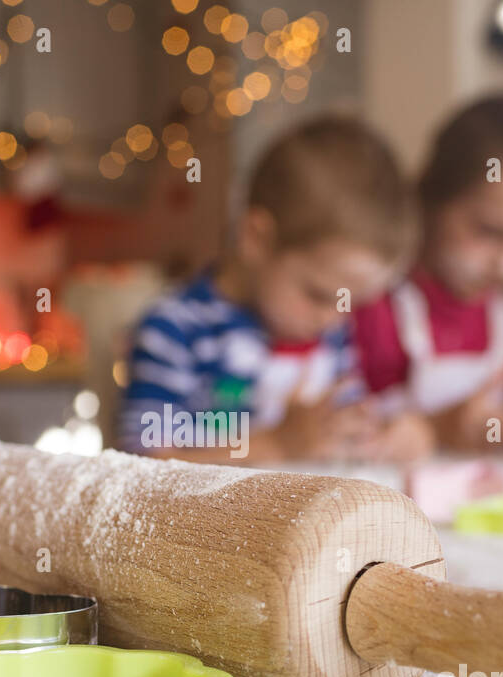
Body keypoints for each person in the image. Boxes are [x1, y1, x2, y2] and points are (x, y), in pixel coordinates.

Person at [117, 115, 434, 465]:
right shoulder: (175, 332)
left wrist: (386, 437)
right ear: (257, 238)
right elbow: (144, 467)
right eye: (318, 294)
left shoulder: (332, 339)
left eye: (350, 303)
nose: (334, 318)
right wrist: (275, 446)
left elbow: (347, 427)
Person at [353, 94, 503, 452]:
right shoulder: (372, 298)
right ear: (432, 199)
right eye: (490, 232)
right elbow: (340, 439)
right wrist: (438, 429)